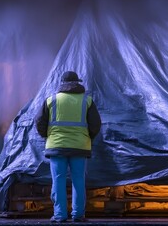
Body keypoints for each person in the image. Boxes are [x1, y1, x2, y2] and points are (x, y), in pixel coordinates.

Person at [35, 71, 101, 223]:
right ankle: (78, 215)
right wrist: (86, 137)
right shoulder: (87, 101)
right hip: (80, 146)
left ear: (61, 83)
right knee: (78, 180)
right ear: (78, 83)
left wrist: (48, 136)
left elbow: (39, 122)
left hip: (57, 146)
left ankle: (60, 215)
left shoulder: (51, 100)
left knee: (58, 180)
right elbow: (96, 124)